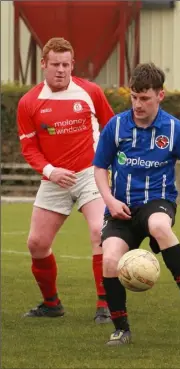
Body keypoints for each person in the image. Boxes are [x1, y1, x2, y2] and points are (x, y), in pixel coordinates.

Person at [93, 62, 180, 345]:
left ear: (160, 95)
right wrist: (109, 199)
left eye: (144, 98)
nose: (138, 104)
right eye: (134, 97)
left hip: (157, 202)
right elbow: (99, 168)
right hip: (120, 208)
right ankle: (121, 328)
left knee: (158, 224)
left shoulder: (174, 130)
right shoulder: (117, 125)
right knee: (109, 259)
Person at [17, 37, 114, 323]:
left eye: (66, 64)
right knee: (36, 243)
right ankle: (51, 304)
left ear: (72, 65)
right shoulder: (29, 103)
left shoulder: (90, 92)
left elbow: (111, 129)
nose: (61, 70)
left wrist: (111, 166)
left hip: (90, 175)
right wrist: (50, 172)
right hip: (54, 179)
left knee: (99, 231)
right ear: (44, 65)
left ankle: (104, 305)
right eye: (55, 64)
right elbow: (29, 148)